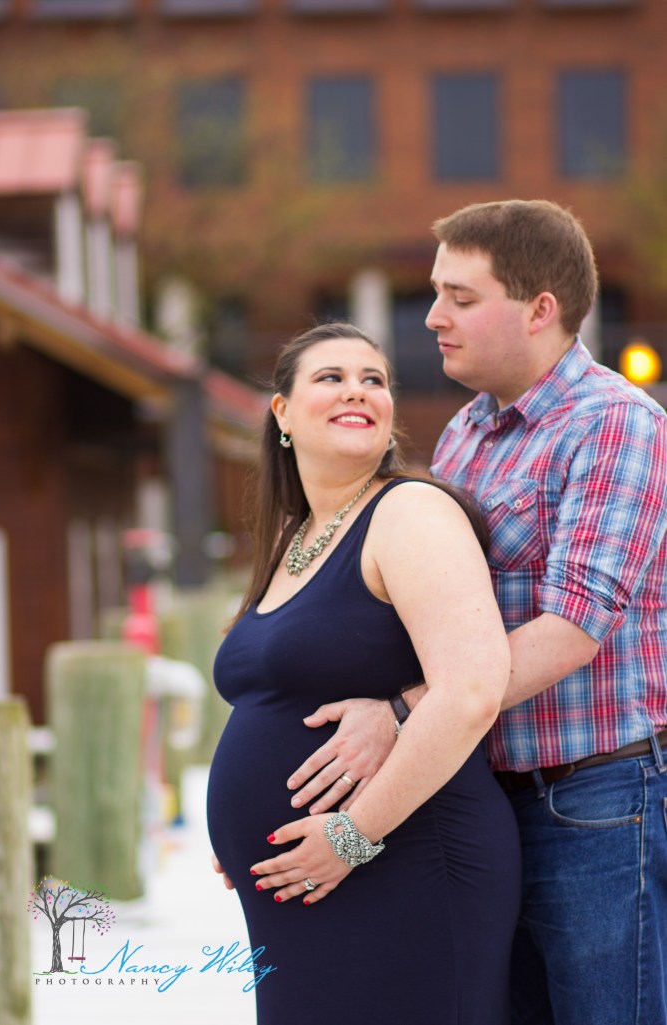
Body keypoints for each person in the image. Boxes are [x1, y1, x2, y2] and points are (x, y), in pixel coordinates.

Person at [282, 202, 667, 1025]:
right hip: (478, 805)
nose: (432, 318)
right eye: (434, 293)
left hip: (595, 806)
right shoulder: (465, 436)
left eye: (459, 296)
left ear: (539, 308)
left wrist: (401, 713)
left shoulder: (618, 425)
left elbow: (572, 626)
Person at [207, 322, 521, 1025]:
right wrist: (243, 822)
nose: (358, 389)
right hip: (311, 887)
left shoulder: (409, 511)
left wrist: (351, 833)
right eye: (331, 377)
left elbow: (472, 687)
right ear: (282, 412)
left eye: (373, 379)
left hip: (407, 862)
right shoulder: (294, 539)